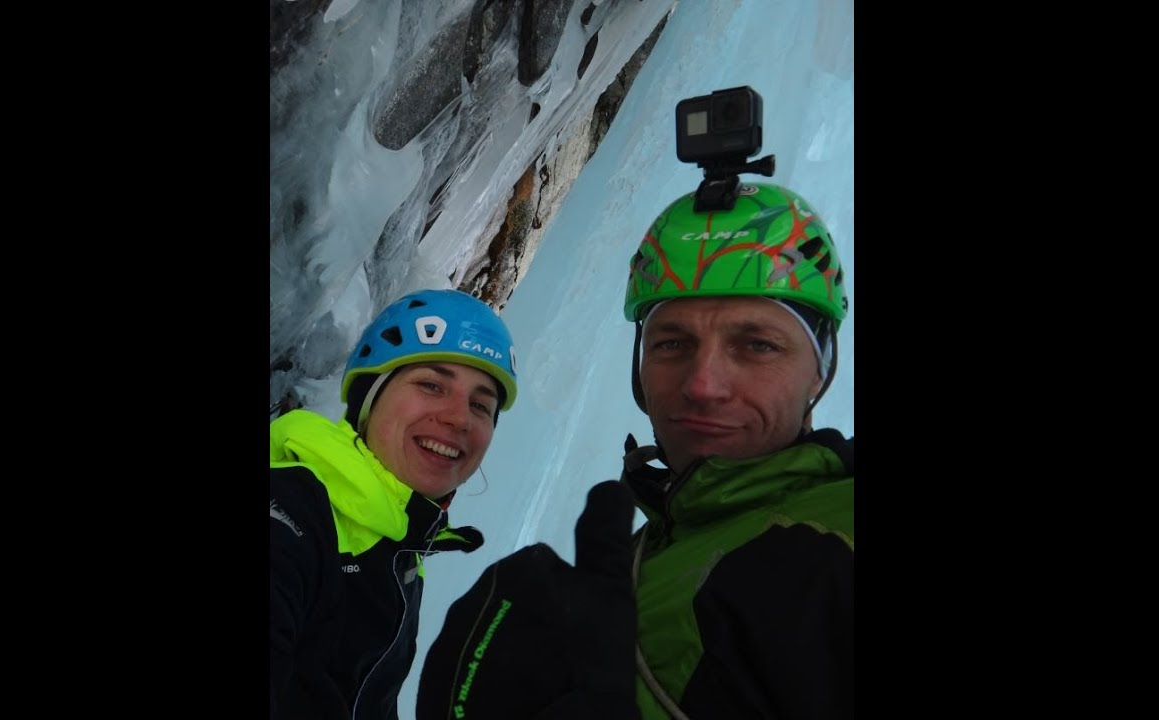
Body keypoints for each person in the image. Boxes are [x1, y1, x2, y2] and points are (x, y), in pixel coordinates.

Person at [417, 182, 853, 720]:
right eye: (672, 343)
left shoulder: (838, 539)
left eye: (757, 345)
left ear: (820, 370)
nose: (703, 384)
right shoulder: (651, 548)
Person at [270, 288, 519, 720]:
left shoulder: (397, 549)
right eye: (431, 384)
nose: (460, 418)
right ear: (370, 397)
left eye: (481, 405)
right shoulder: (294, 512)